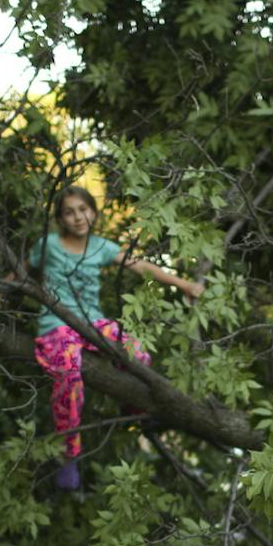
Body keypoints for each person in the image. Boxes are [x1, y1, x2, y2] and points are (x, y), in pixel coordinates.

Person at [26, 185, 204, 491]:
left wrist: (183, 284)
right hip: (56, 325)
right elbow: (22, 274)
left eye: (83, 209)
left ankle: (131, 406)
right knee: (68, 374)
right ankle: (69, 455)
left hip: (92, 322)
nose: (78, 217)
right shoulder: (49, 244)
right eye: (69, 212)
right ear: (59, 218)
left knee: (136, 351)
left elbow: (141, 266)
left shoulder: (100, 247)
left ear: (93, 212)